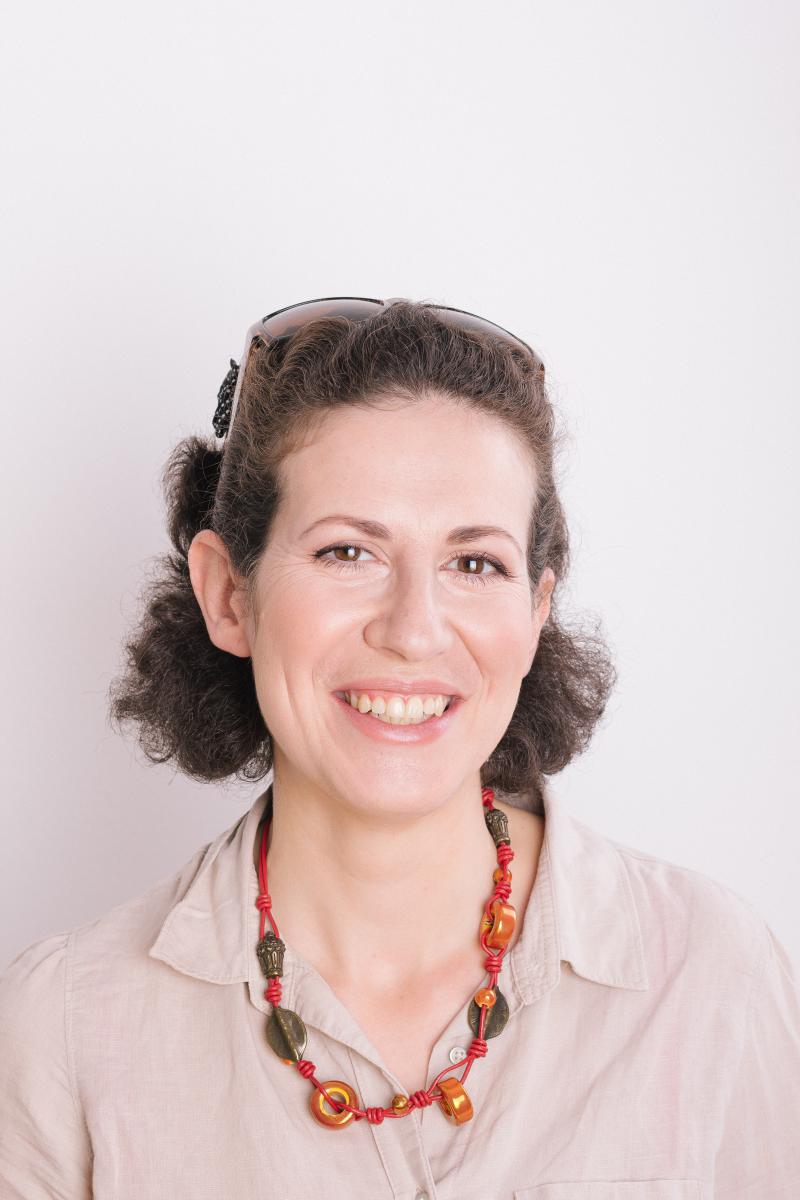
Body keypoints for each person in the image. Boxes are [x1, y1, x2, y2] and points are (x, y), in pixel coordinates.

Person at [1, 297, 798, 1198]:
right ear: (230, 595)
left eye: (474, 563)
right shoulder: (64, 1029)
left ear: (535, 612)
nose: (414, 631)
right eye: (347, 552)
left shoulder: (714, 977)